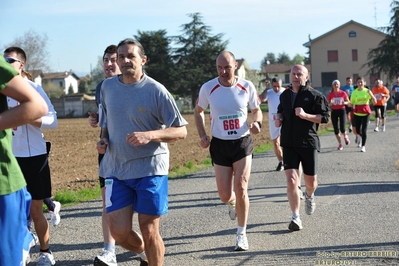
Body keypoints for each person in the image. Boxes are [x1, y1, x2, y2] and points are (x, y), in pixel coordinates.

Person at [97, 38, 188, 266]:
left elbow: (181, 132)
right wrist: (103, 138)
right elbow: (106, 121)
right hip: (116, 170)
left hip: (150, 169)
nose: (125, 60)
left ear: (143, 60)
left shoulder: (156, 91)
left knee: (149, 229)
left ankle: (152, 254)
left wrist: (151, 135)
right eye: (121, 57)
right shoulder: (107, 87)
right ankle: (147, 254)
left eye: (130, 56)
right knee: (118, 232)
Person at [194, 51, 262, 251]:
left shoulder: (246, 86)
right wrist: (202, 135)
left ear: (235, 66)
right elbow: (198, 111)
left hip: (242, 142)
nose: (223, 71)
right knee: (225, 194)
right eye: (219, 68)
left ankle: (241, 234)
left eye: (227, 67)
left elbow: (256, 109)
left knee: (241, 187)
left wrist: (256, 122)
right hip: (220, 144)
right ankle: (232, 203)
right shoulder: (208, 88)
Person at [4, 47, 59, 265]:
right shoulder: (2, 92)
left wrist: (29, 116)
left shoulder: (34, 88)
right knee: (16, 211)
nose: (6, 63)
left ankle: (46, 253)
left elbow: (52, 120)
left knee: (36, 210)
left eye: (10, 60)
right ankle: (19, 249)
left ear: (21, 65)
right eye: (3, 60)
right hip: (11, 159)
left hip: (35, 157)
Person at [275, 64, 329, 231]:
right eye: (293, 74)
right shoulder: (285, 95)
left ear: (306, 77)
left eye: (299, 74)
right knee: (292, 180)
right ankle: (295, 216)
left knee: (310, 182)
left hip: (308, 143)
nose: (296, 76)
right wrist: (278, 118)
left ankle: (310, 195)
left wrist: (306, 116)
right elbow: (280, 111)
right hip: (289, 143)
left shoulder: (315, 96)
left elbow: (325, 118)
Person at [88, 44, 122, 266]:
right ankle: (109, 252)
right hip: (107, 152)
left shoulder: (136, 85)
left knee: (135, 207)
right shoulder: (101, 87)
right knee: (108, 202)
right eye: (106, 60)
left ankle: (143, 246)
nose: (109, 65)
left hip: (133, 154)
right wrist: (95, 121)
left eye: (113, 60)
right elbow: (103, 119)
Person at [260, 77, 285, 171]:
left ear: (281, 84)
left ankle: (287, 161)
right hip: (273, 120)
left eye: (278, 86)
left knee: (284, 142)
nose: (276, 89)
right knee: (276, 142)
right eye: (274, 86)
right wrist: (266, 88)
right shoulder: (269, 92)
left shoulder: (285, 92)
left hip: (284, 120)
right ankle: (281, 161)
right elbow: (261, 99)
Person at [349, 77, 376, 152]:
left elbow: (374, 102)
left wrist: (373, 97)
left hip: (366, 113)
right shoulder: (354, 92)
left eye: (361, 82)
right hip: (357, 113)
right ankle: (359, 136)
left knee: (364, 130)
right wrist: (349, 104)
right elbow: (352, 103)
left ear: (364, 83)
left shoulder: (367, 91)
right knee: (357, 130)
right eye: (358, 82)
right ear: (356, 84)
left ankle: (363, 146)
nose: (360, 84)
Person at [327, 80, 350, 150]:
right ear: (332, 86)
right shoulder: (330, 94)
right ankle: (340, 144)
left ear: (339, 85)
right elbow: (328, 105)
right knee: (336, 130)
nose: (336, 85)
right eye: (334, 84)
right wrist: (331, 103)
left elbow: (348, 102)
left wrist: (344, 103)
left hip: (342, 110)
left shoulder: (343, 93)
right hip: (334, 111)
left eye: (337, 84)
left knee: (342, 128)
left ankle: (345, 136)